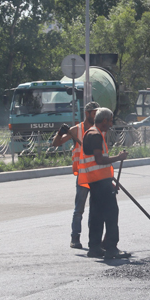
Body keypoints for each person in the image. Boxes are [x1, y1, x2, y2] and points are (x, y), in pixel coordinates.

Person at [77, 107, 129, 260]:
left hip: (97, 182)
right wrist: (118, 157)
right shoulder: (95, 135)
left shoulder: (93, 133)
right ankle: (111, 248)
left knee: (96, 216)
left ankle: (94, 248)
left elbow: (98, 164)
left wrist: (109, 182)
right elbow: (99, 160)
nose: (111, 123)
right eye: (111, 120)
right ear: (105, 120)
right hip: (99, 183)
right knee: (111, 214)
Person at [52, 101, 100, 249]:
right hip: (83, 175)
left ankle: (95, 240)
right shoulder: (75, 130)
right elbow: (56, 143)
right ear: (87, 113)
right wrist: (60, 132)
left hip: (97, 174)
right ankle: (75, 238)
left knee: (96, 209)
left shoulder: (99, 130)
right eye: (94, 113)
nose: (96, 116)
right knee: (79, 209)